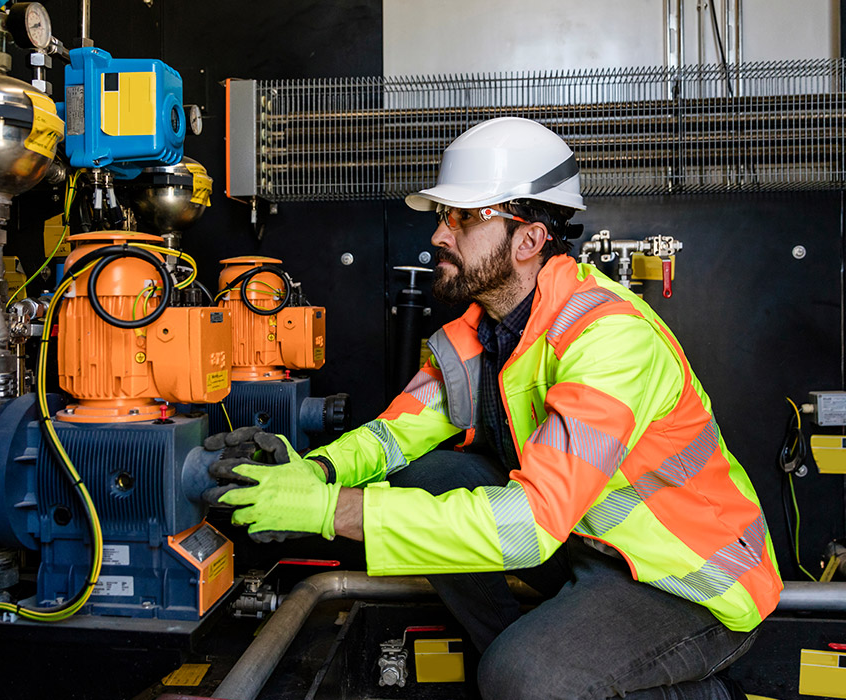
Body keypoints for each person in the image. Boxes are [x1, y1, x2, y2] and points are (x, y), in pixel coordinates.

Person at [204, 117, 782, 700]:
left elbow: (531, 525)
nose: (437, 235)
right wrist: (314, 472)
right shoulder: (478, 335)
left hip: (685, 582)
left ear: (528, 239)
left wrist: (329, 511)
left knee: (524, 676)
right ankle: (534, 666)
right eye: (440, 216)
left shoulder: (609, 338)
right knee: (430, 476)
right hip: (589, 547)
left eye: (460, 218)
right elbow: (392, 437)